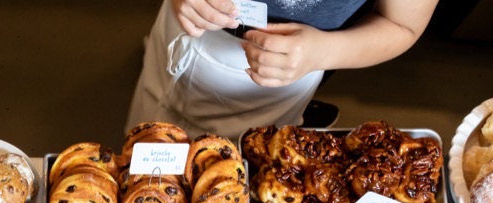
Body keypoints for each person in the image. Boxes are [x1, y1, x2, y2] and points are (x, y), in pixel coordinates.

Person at [126, 0, 439, 140]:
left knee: (244, 164)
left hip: (288, 70)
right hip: (184, 28)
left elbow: (402, 24)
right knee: (146, 137)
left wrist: (323, 52)